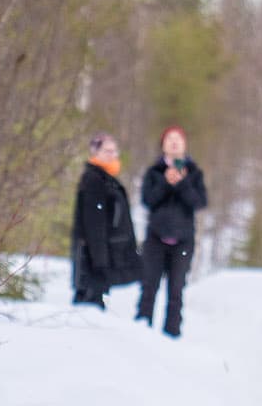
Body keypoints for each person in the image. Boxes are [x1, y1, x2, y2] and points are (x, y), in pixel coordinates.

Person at [136, 126, 208, 336]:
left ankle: (172, 335)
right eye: (170, 138)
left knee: (176, 291)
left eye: (178, 138)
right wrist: (166, 183)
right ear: (163, 144)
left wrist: (183, 183)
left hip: (183, 241)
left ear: (184, 144)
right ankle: (140, 329)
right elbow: (148, 200)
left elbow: (199, 202)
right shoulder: (154, 171)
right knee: (149, 287)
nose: (174, 142)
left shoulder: (194, 173)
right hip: (155, 239)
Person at [70, 133, 140, 309]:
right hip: (91, 256)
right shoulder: (94, 179)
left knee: (97, 301)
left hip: (105, 253)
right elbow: (94, 224)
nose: (112, 154)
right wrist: (100, 261)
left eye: (114, 151)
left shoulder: (107, 179)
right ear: (95, 152)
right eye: (107, 151)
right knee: (88, 303)